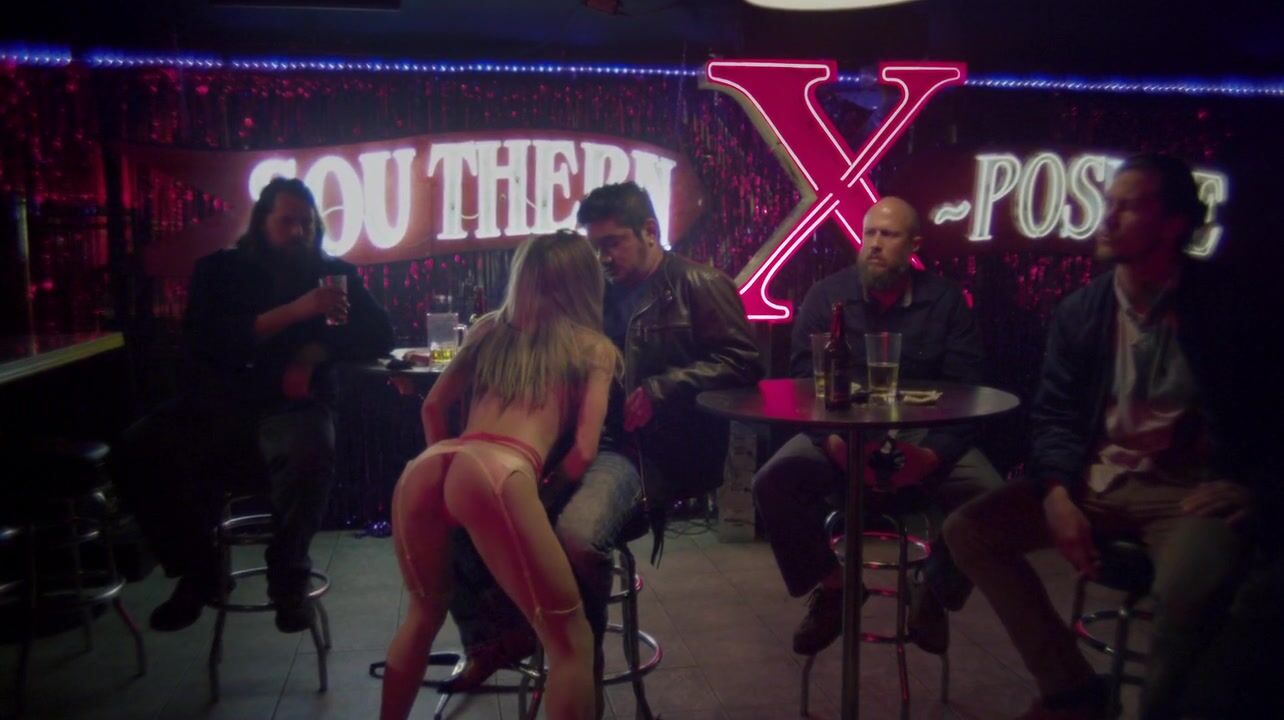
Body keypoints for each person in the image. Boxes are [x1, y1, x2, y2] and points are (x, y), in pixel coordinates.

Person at [943, 154, 1278, 720]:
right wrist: (1056, 493)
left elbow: (1270, 412)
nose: (1107, 217)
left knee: (1187, 595)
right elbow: (1054, 415)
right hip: (1095, 480)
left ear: (1172, 224)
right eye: (1108, 204)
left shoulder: (1227, 307)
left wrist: (1258, 489)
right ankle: (1071, 690)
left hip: (1188, 493)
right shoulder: (1082, 311)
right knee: (968, 531)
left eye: (1128, 206)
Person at [442, 182, 763, 707]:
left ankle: (578, 664)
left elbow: (745, 361)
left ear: (650, 232)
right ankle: (498, 638)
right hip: (581, 442)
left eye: (613, 242)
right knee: (464, 507)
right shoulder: (597, 291)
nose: (603, 257)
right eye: (595, 246)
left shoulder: (698, 284)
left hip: (649, 452)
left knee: (576, 538)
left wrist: (663, 388)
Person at [112, 177, 394, 634]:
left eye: (306, 224)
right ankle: (199, 570)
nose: (299, 233)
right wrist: (297, 310)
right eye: (287, 222)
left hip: (293, 405)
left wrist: (313, 353)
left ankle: (288, 576)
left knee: (309, 451)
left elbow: (381, 334)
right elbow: (206, 340)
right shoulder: (220, 271)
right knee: (135, 448)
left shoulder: (331, 272)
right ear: (262, 221)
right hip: (221, 403)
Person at [380, 230, 622, 720]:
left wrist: (453, 484)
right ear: (585, 284)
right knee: (571, 640)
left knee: (422, 616)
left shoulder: (487, 329)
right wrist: (539, 494)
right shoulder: (593, 348)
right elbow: (583, 452)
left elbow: (432, 407)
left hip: (432, 465)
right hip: (499, 471)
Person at [752, 196, 1002, 657]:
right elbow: (803, 385)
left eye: (889, 234)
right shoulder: (827, 297)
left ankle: (935, 591)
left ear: (914, 244)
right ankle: (835, 589)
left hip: (921, 436)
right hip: (841, 433)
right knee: (772, 482)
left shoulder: (944, 301)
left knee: (989, 496)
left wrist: (932, 455)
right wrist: (833, 442)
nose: (875, 244)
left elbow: (968, 391)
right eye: (869, 233)